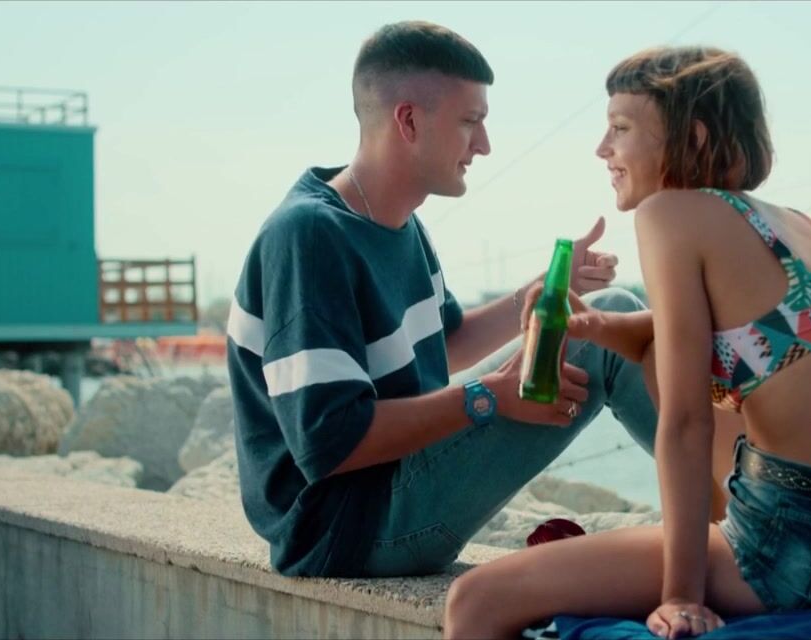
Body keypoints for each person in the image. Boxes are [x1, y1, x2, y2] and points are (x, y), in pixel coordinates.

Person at [444, 46, 811, 639]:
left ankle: (724, 557)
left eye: (620, 128)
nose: (601, 149)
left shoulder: (669, 213)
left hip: (802, 550)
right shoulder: (791, 223)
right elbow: (717, 339)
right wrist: (598, 327)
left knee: (475, 600)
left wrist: (680, 596)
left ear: (692, 137)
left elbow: (686, 423)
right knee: (656, 355)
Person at [225, 21, 663, 579]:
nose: (484, 144)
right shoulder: (309, 236)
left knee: (603, 314)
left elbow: (446, 343)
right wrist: (488, 398)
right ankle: (749, 517)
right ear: (408, 120)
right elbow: (330, 443)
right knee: (611, 328)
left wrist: (545, 290)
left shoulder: (398, 223)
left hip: (389, 486)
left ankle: (737, 504)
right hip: (349, 525)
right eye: (470, 122)